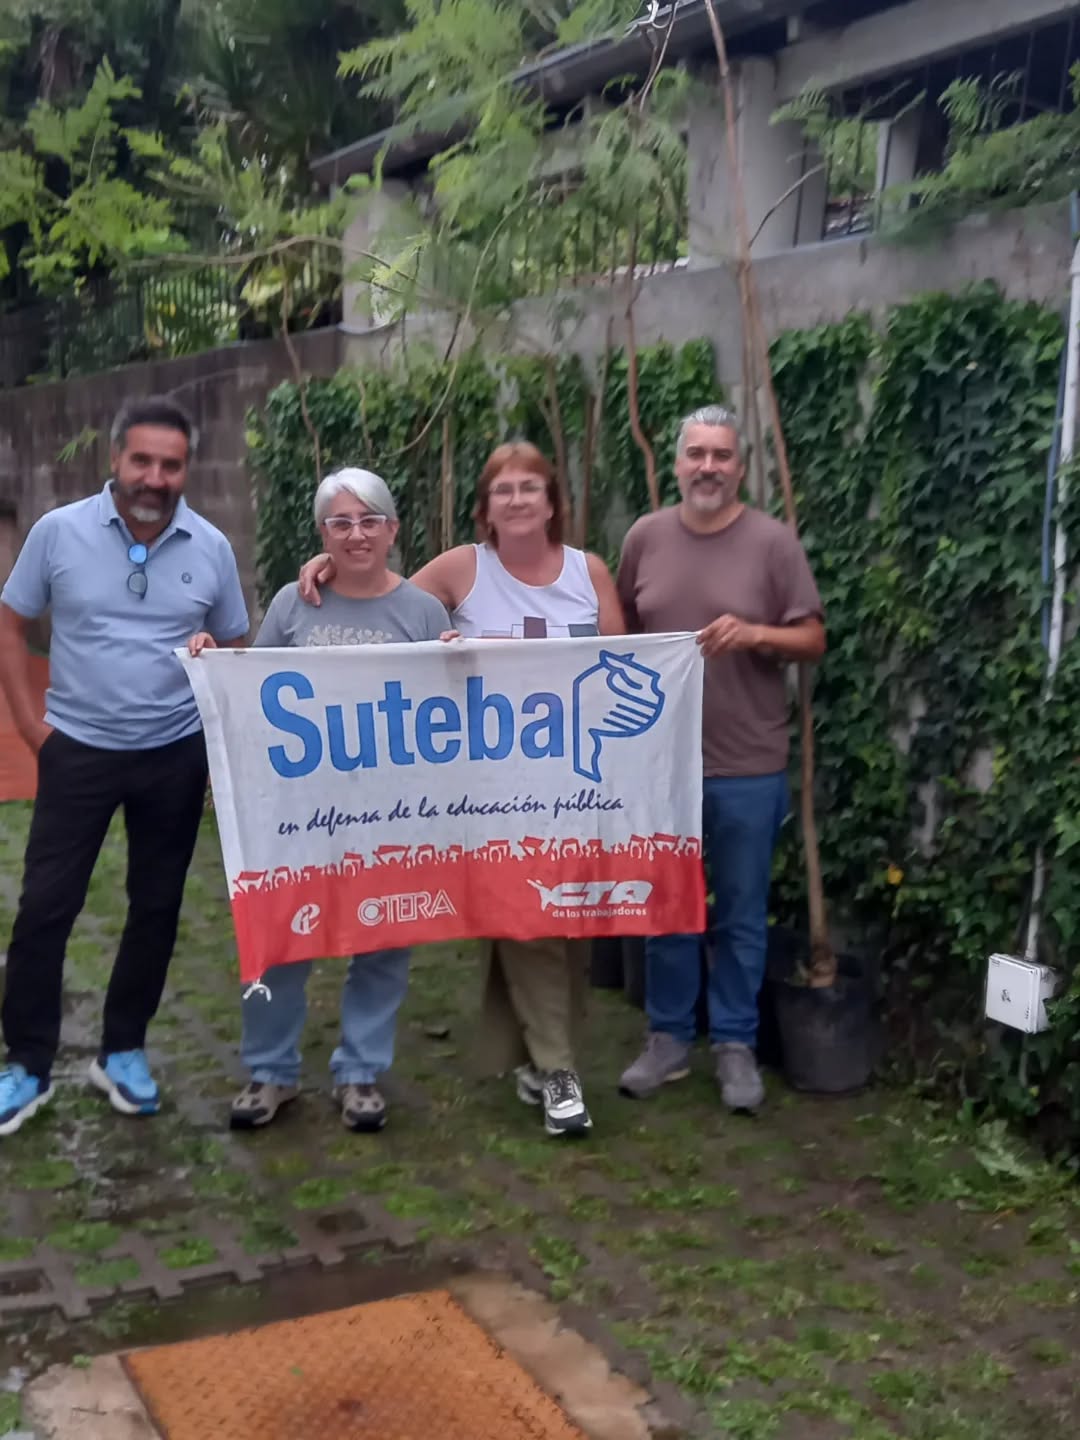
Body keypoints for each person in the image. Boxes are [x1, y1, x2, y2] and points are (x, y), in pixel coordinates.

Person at [298, 441, 624, 1137]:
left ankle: (534, 1060)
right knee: (531, 917)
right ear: (485, 505)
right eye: (502, 488)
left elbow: (622, 665)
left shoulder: (587, 571)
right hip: (491, 788)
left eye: (529, 487)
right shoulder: (460, 569)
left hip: (578, 781)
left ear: (551, 498)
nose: (515, 499)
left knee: (564, 926)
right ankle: (562, 1073)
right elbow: (376, 600)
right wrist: (331, 563)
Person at [0, 396, 250, 1137]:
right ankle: (27, 1065)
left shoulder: (210, 547)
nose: (154, 476)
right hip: (75, 748)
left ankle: (123, 1050)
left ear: (186, 470)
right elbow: (12, 621)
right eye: (141, 460)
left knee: (155, 907)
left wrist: (214, 668)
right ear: (116, 460)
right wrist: (25, 722)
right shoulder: (58, 533)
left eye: (170, 465)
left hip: (172, 754)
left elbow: (235, 643)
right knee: (45, 907)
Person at [191, 468, 451, 1133]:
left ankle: (360, 1072)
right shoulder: (292, 603)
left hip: (393, 812)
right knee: (279, 934)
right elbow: (254, 694)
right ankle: (269, 1070)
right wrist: (212, 661)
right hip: (299, 811)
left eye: (370, 521)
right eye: (340, 523)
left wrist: (461, 661)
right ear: (321, 533)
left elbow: (448, 718)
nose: (356, 535)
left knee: (385, 939)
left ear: (394, 530)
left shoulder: (422, 611)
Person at [616, 405, 825, 1114]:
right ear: (677, 462)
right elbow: (620, 634)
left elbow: (813, 640)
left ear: (741, 465)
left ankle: (734, 1042)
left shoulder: (773, 544)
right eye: (696, 453)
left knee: (740, 912)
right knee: (668, 908)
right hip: (661, 768)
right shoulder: (645, 538)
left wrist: (757, 632)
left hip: (747, 764)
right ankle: (669, 1038)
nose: (708, 466)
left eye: (722, 455)